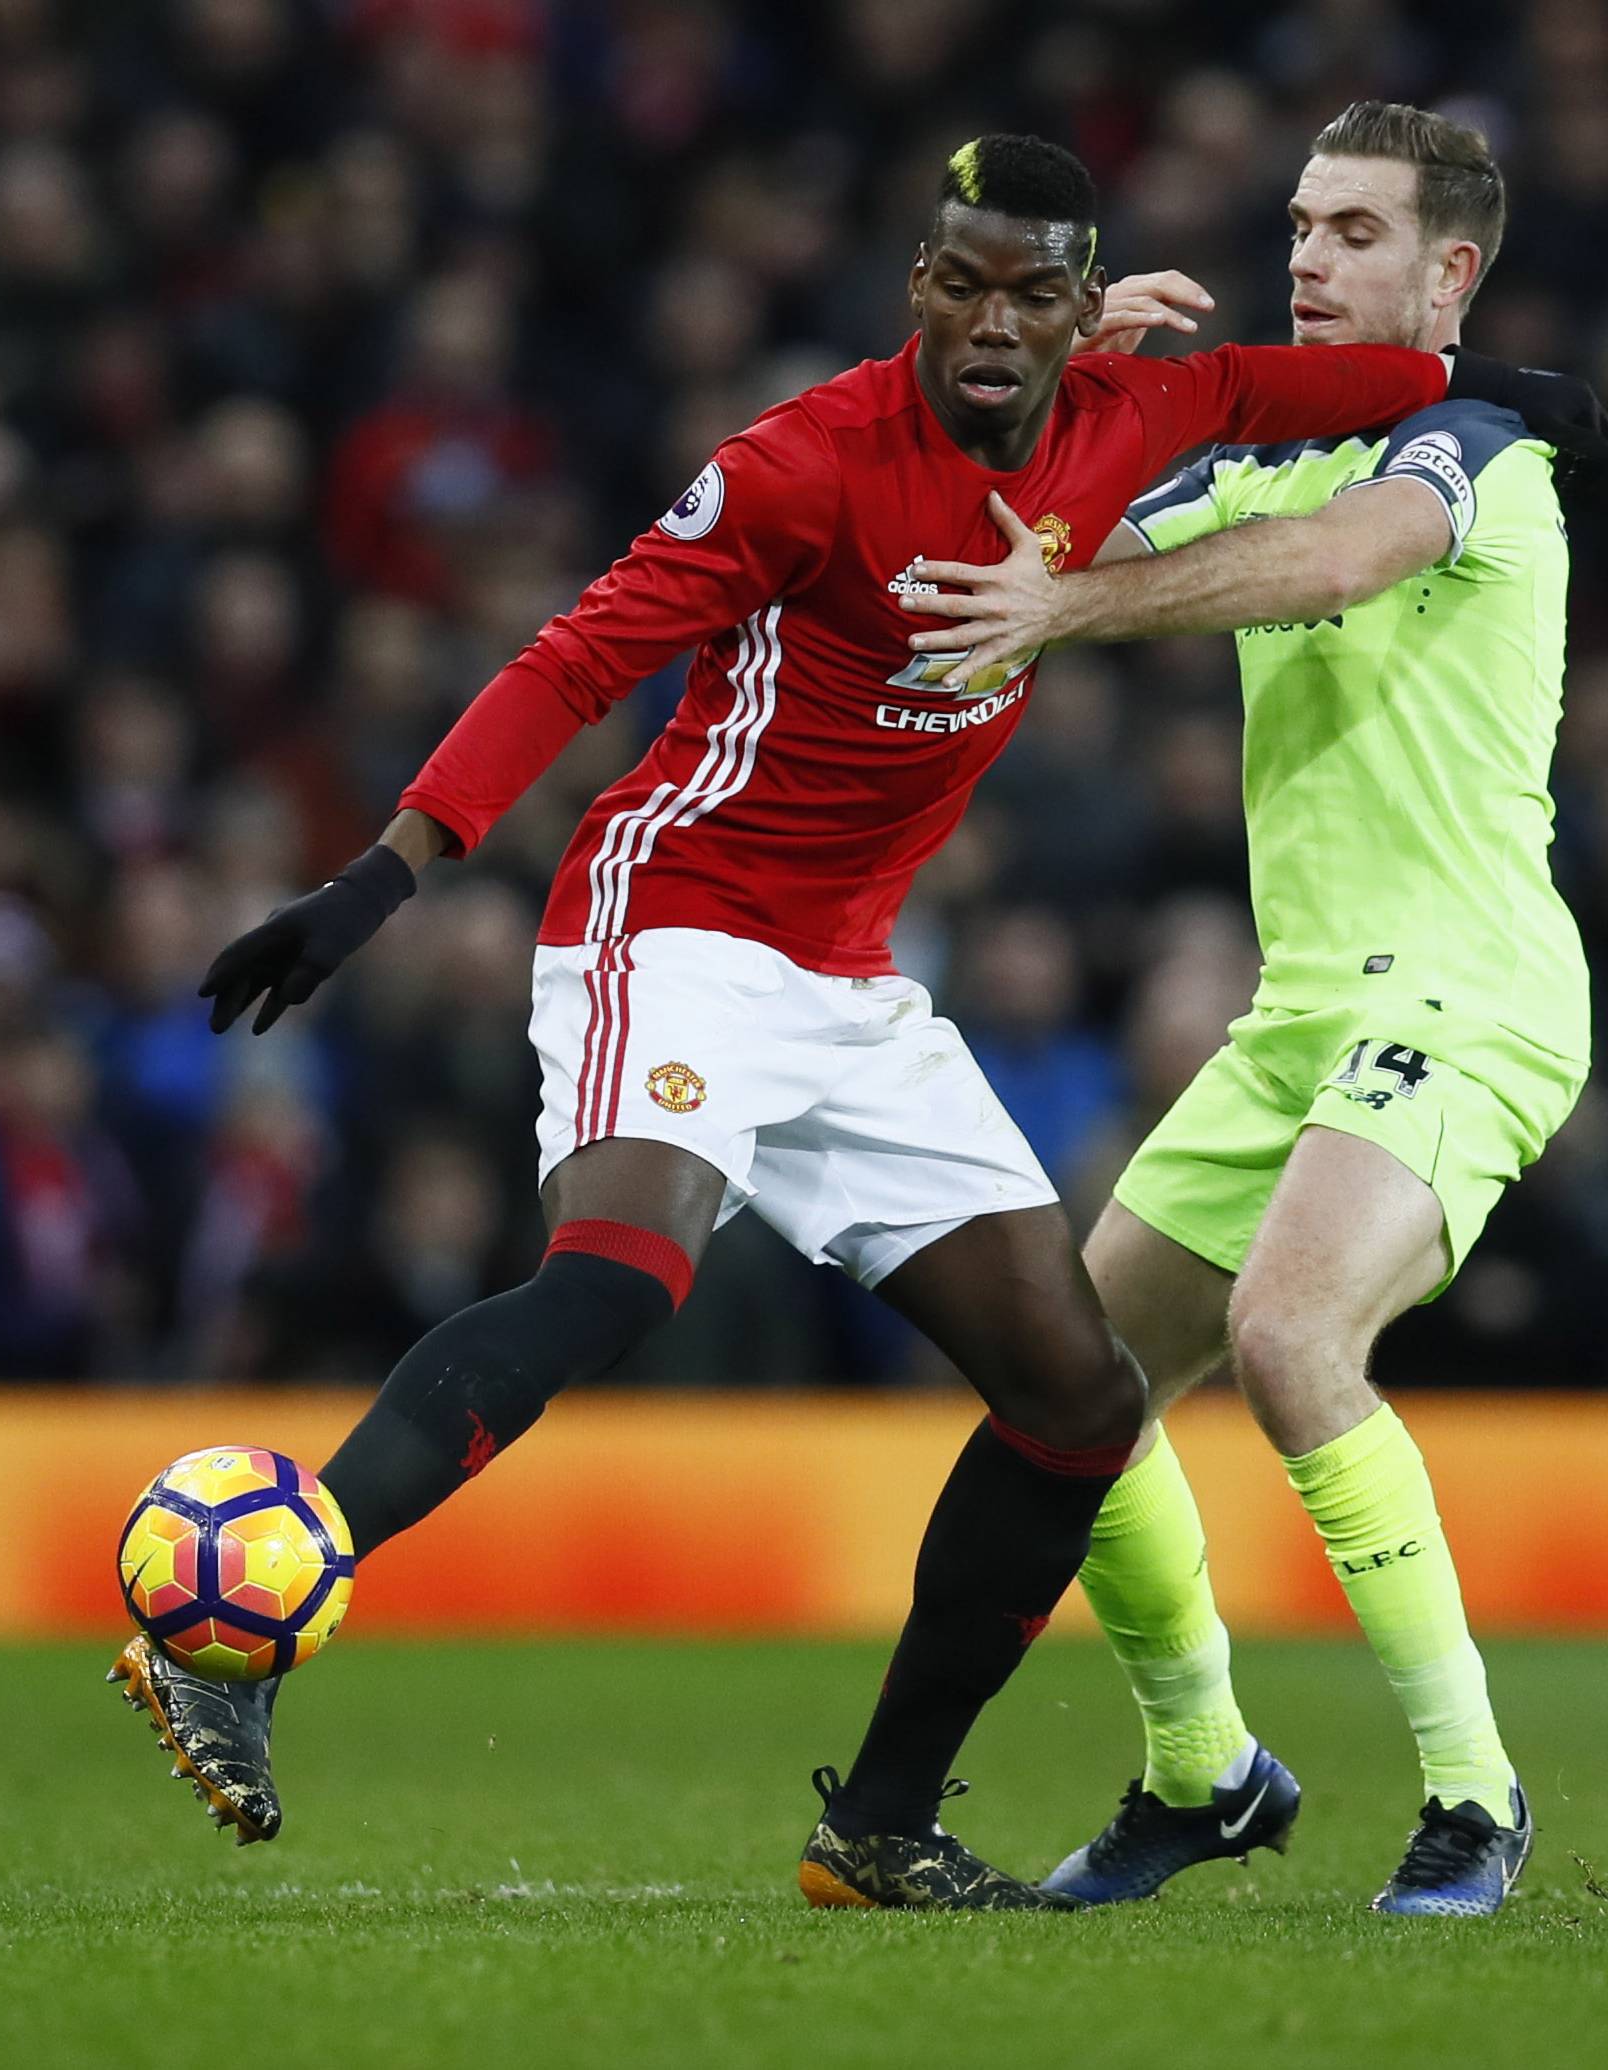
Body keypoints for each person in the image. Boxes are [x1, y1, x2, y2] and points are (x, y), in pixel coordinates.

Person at [108, 131, 1578, 1908]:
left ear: (1078, 304)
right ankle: (252, 1619)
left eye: (1034, 292)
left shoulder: (1160, 415)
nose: (991, 320)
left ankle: (883, 1823)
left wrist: (1533, 395)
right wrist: (389, 867)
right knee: (621, 1278)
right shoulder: (802, 466)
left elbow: (1414, 385)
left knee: (1075, 1391)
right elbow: (576, 656)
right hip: (685, 924)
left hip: (862, 983)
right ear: (917, 286)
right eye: (961, 283)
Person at [898, 103, 1587, 1917]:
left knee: (1292, 1337)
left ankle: (1473, 1796)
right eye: (1298, 222)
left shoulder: (1477, 447)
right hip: (1306, 1010)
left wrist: (1072, 602)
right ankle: (1204, 1767)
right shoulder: (1270, 443)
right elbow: (1005, 513)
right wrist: (1065, 390)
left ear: (1449, 271)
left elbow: (1338, 562)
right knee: (1075, 1394)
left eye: (1356, 231)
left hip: (1471, 981)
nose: (1305, 256)